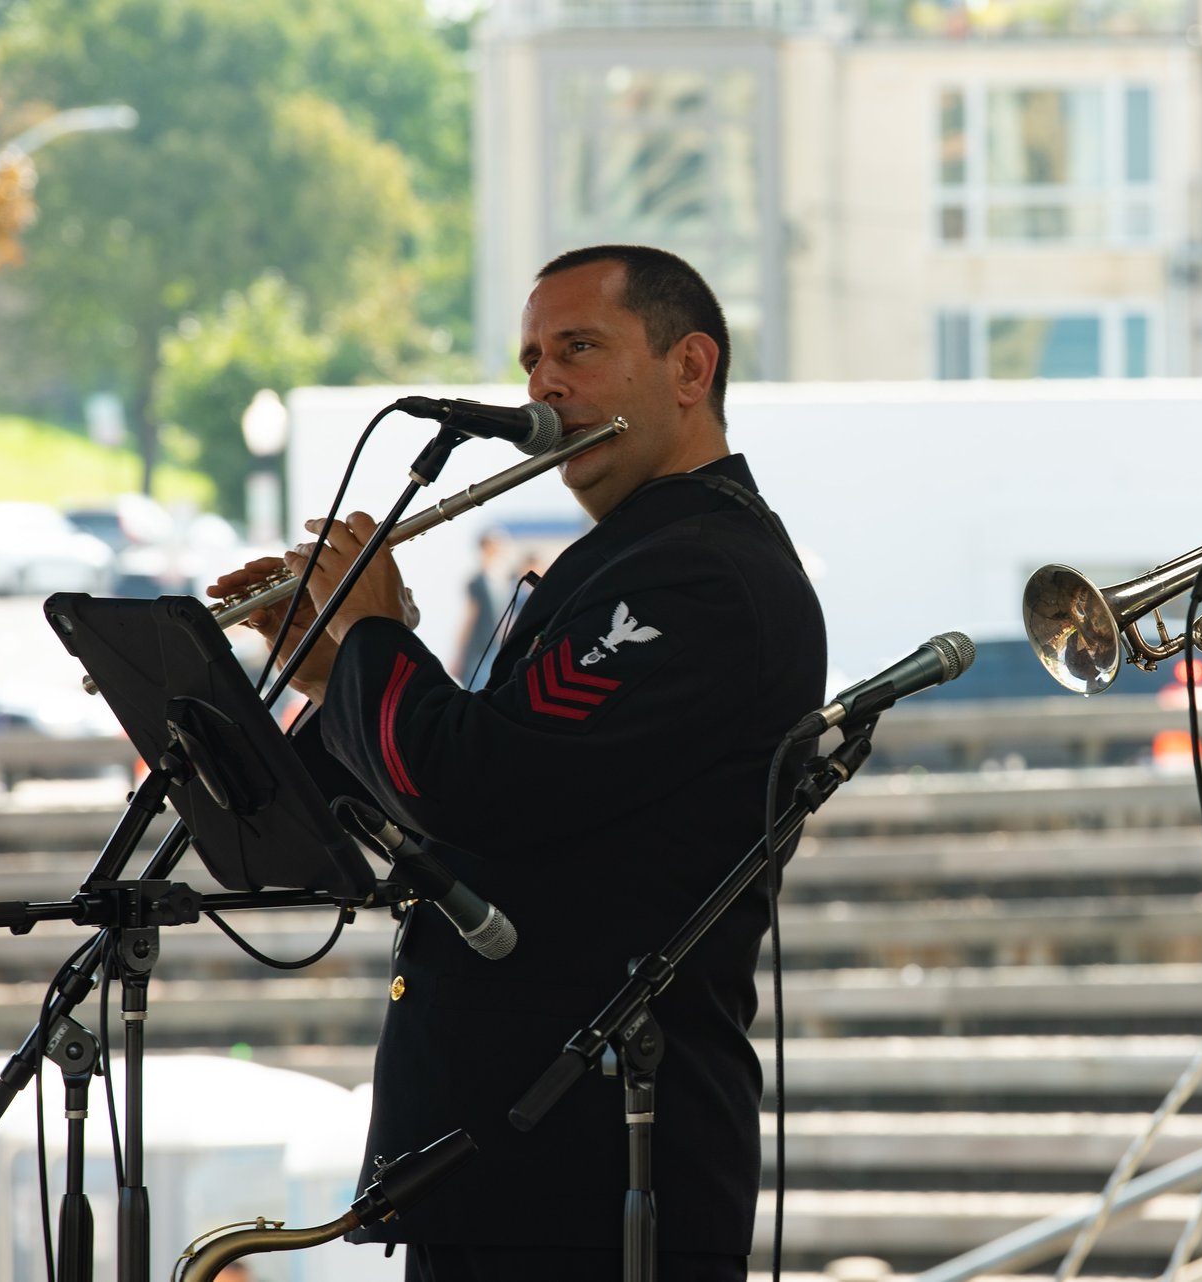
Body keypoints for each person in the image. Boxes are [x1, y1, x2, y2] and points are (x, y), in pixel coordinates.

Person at [212, 245, 828, 1281]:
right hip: (508, 1167)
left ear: (690, 369)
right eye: (533, 358)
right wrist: (327, 673)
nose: (544, 386)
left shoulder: (703, 574)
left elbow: (475, 787)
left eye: (579, 349)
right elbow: (445, 795)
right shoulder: (625, 565)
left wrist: (374, 640)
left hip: (598, 1177)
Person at [453, 527, 514, 689]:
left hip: (497, 646)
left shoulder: (505, 578)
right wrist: (459, 653)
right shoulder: (477, 581)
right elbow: (470, 617)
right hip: (479, 648)